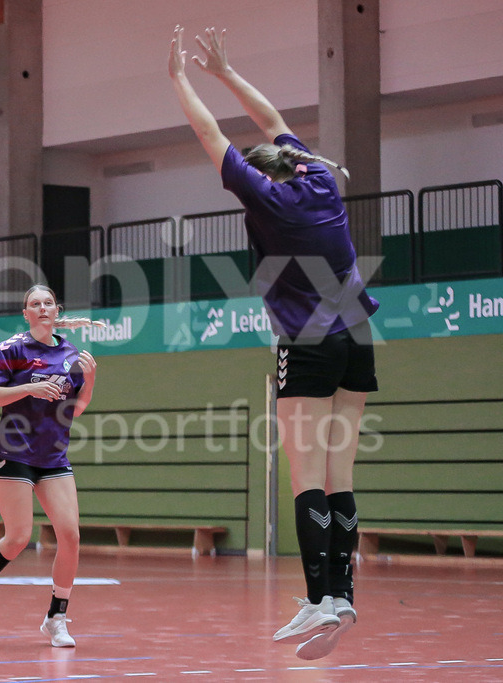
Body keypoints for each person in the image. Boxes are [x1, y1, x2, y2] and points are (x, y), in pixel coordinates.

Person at [168, 27, 379, 660]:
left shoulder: (265, 197)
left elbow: (213, 135)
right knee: (340, 472)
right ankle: (341, 594)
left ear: (256, 183)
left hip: (308, 340)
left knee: (305, 476)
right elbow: (273, 121)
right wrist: (227, 74)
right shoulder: (319, 181)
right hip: (358, 333)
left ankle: (319, 601)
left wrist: (177, 78)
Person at [0, 284, 101, 648]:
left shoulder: (70, 354)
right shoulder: (10, 350)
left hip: (53, 456)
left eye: (48, 302)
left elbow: (75, 408)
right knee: (17, 537)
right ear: (26, 314)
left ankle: (56, 617)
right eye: (35, 304)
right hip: (13, 452)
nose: (42, 308)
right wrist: (29, 389)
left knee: (70, 536)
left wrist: (91, 382)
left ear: (56, 309)